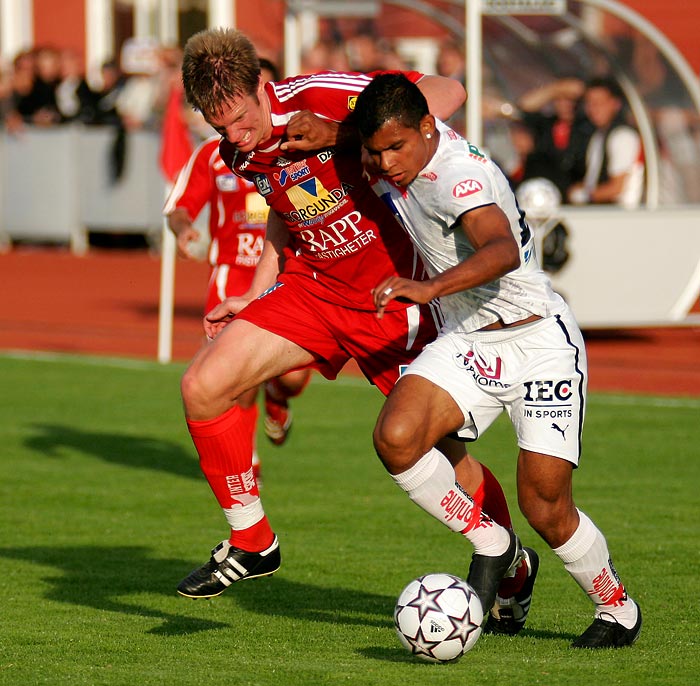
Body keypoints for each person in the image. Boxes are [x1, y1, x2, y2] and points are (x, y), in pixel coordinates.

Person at [175, 28, 526, 613]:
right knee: (202, 386)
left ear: (263, 88)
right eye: (219, 127)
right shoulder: (237, 148)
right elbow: (286, 213)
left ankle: (510, 561)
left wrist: (343, 132)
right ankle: (254, 542)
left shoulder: (322, 93)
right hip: (313, 290)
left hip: (396, 299)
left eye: (240, 118)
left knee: (439, 453)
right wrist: (253, 295)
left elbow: (447, 91)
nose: (235, 136)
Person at [353, 72, 642, 649]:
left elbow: (502, 249)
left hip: (538, 345)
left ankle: (616, 607)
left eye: (395, 148)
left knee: (545, 505)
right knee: (398, 436)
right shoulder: (400, 141)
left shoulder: (457, 179)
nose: (384, 163)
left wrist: (427, 290)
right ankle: (494, 545)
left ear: (427, 129)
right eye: (375, 150)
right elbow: (432, 95)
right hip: (470, 340)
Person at [163, 59, 312, 478]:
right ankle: (247, 462)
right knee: (233, 377)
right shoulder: (215, 155)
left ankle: (278, 397)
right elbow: (179, 207)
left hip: (288, 277)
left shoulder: (298, 143)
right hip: (231, 275)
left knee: (292, 380)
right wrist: (184, 230)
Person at [567, 77, 644, 208]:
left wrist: (583, 195)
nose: (594, 108)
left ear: (616, 104)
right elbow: (591, 181)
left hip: (621, 214)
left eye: (600, 103)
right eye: (589, 103)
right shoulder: (597, 136)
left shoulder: (623, 136)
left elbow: (616, 189)